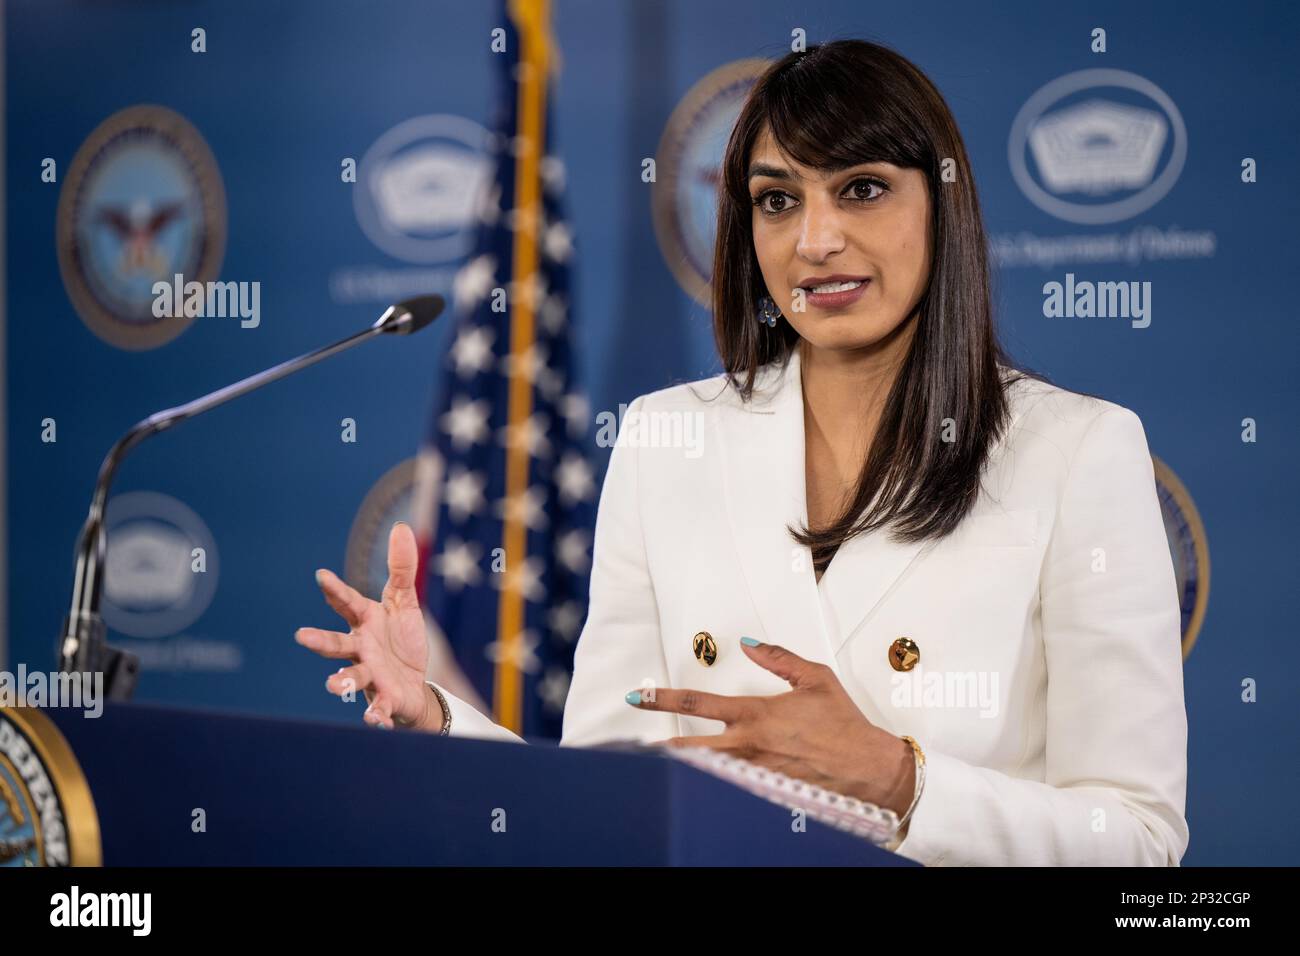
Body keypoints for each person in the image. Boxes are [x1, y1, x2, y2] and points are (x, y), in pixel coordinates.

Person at [295, 39, 1188, 866]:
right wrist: (441, 716)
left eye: (863, 188)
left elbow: (1140, 841)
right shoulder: (664, 438)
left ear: (943, 201)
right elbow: (606, 791)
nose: (815, 240)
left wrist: (899, 780)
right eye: (778, 199)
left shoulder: (1077, 452)